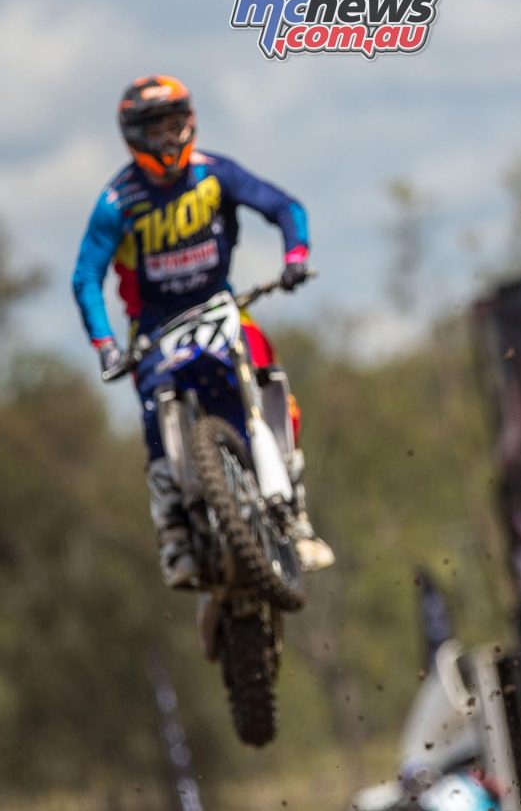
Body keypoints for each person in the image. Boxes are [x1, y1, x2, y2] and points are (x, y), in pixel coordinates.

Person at [72, 74, 335, 587]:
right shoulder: (117, 202)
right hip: (153, 328)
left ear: (191, 121)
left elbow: (285, 206)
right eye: (156, 130)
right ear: (133, 136)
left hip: (220, 306)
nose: (169, 139)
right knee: (155, 406)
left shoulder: (214, 173)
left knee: (268, 375)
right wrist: (105, 345)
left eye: (176, 125)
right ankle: (173, 529)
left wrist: (296, 256)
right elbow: (86, 277)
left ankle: (295, 509)